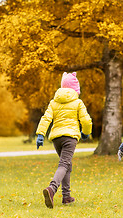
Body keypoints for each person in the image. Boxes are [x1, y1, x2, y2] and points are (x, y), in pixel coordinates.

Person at [36, 72, 92, 209]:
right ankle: (52, 188)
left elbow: (46, 118)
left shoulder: (54, 102)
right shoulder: (78, 102)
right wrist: (86, 133)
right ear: (75, 89)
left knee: (67, 165)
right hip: (70, 137)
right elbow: (86, 120)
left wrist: (40, 134)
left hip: (56, 138)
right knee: (64, 164)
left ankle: (67, 197)